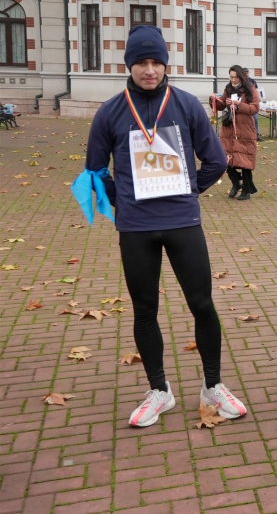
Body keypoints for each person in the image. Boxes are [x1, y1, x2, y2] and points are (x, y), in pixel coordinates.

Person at [76, 25, 246, 427]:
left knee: (202, 304)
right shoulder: (111, 112)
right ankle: (159, 390)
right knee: (144, 308)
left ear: (166, 64)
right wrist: (124, 200)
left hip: (182, 221)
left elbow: (217, 161)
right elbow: (95, 169)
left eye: (156, 62)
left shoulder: (186, 105)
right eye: (141, 62)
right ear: (130, 65)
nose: (149, 70)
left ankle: (213, 386)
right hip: (135, 228)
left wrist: (189, 189)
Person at [210, 66, 260, 200]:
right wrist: (215, 101)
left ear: (241, 77)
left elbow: (255, 108)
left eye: (235, 77)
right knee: (224, 158)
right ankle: (236, 182)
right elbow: (221, 105)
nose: (233, 80)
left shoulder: (251, 89)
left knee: (245, 159)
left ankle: (246, 190)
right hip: (229, 128)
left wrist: (239, 104)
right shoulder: (228, 88)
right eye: (231, 77)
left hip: (244, 129)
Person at [243, 67, 262, 141]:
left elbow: (257, 92)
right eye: (244, 73)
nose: (246, 74)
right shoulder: (240, 82)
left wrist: (258, 100)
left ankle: (256, 135)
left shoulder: (253, 81)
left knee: (255, 119)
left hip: (253, 103)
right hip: (244, 104)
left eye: (247, 72)